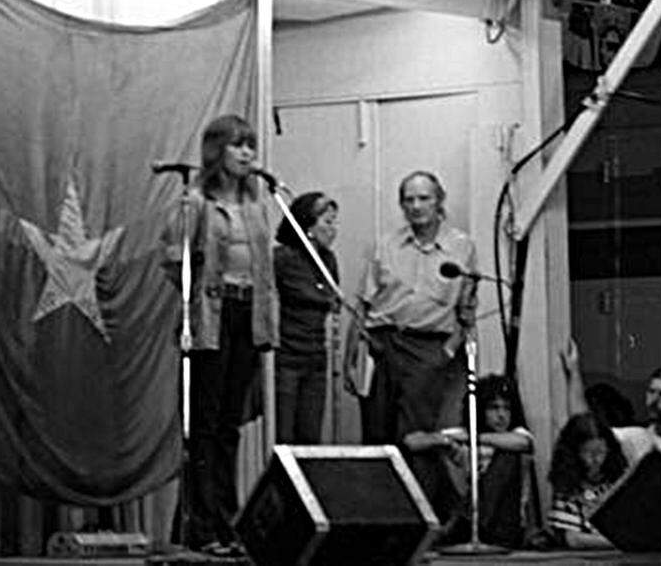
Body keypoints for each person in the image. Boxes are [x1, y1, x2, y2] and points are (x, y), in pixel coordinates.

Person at [160, 115, 277, 558]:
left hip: (248, 313)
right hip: (212, 315)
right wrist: (198, 295)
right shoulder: (196, 203)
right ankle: (201, 523)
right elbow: (173, 259)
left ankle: (229, 521)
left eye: (250, 146)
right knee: (204, 424)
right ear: (217, 152)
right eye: (237, 146)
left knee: (230, 424)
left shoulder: (256, 204)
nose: (247, 154)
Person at [345, 170, 477, 445]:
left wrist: (445, 353)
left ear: (439, 200)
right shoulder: (386, 245)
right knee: (376, 436)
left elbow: (467, 312)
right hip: (381, 345)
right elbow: (362, 305)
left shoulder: (461, 248)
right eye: (409, 200)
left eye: (423, 198)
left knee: (415, 438)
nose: (416, 206)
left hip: (427, 350)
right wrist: (349, 357)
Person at [405, 374, 535, 548]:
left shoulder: (516, 434)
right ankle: (428, 527)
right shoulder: (463, 433)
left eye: (506, 409)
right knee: (425, 457)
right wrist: (445, 442)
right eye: (494, 408)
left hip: (501, 525)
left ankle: (464, 523)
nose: (501, 415)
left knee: (509, 456)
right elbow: (411, 442)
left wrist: (474, 438)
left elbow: (523, 443)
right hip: (460, 512)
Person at [273, 191, 339, 444]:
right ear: (308, 226)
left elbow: (333, 299)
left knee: (310, 437)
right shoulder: (282, 258)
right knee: (284, 437)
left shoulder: (328, 261)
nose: (334, 230)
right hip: (286, 358)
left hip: (316, 358)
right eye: (328, 222)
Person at [545, 412, 629, 549]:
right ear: (574, 452)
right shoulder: (567, 486)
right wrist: (619, 542)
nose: (596, 459)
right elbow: (573, 539)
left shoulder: (621, 480)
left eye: (601, 452)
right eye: (588, 453)